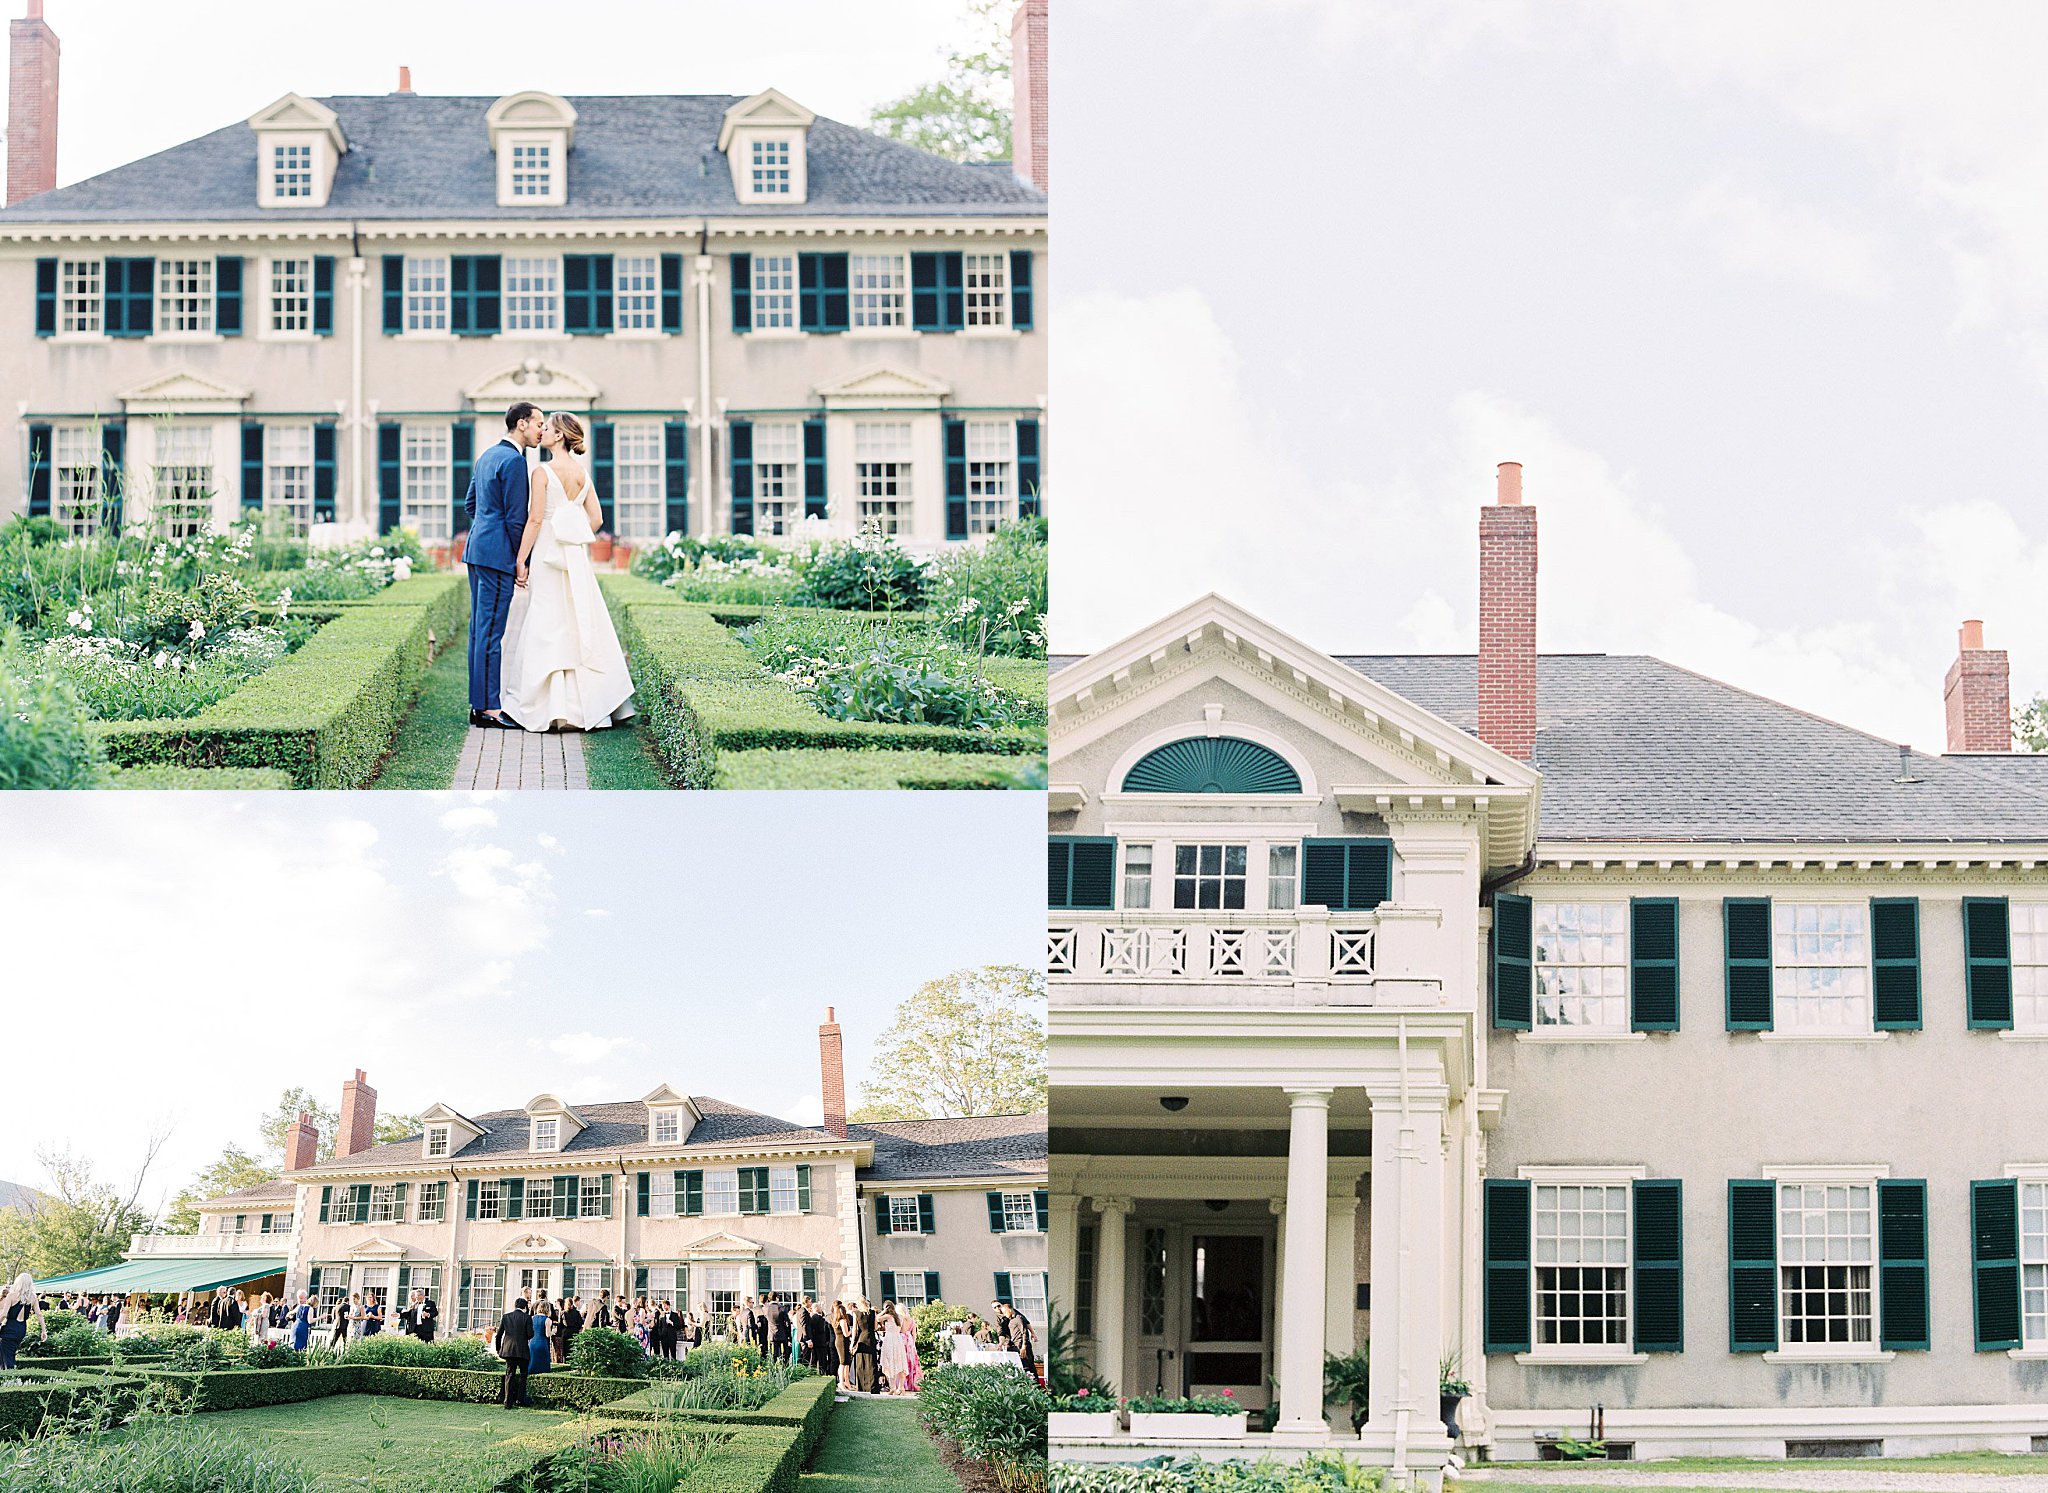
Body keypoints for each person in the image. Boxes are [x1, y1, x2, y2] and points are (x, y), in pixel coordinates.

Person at [499, 411, 637, 732]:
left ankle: (553, 707)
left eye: (546, 428)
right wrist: (572, 531)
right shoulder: (582, 473)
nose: (542, 432)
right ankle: (587, 705)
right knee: (577, 622)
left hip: (548, 552)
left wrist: (521, 560)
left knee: (548, 622)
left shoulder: (541, 471)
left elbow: (534, 521)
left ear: (559, 436)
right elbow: (597, 520)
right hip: (573, 555)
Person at [465, 401, 545, 729]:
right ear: (522, 424)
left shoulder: (487, 456)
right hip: (497, 557)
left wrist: (486, 530)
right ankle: (489, 709)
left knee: (478, 631)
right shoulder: (514, 461)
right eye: (539, 423)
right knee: (491, 632)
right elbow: (516, 519)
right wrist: (520, 560)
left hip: (476, 551)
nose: (542, 429)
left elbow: (471, 504)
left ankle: (479, 705)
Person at [0, 1272, 47, 1370]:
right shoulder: (33, 1297)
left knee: (7, 1355)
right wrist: (44, 1331)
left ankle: (10, 1377)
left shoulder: (11, 1296)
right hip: (21, 1329)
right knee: (7, 1352)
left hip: (10, 1328)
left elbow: (4, 1314)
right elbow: (39, 1314)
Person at [497, 1296, 535, 1407]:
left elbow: (498, 1335)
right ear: (524, 1307)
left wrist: (498, 1349)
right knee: (523, 1374)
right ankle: (519, 1399)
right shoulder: (527, 1318)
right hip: (522, 1350)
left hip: (509, 1350)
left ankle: (507, 1402)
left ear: (515, 1306)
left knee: (510, 1374)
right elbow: (530, 1334)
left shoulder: (506, 1316)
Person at [994, 1301, 1038, 1380]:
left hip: (1021, 1345)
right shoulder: (1003, 1319)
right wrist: (1001, 1343)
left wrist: (1024, 1346)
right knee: (1019, 1366)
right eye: (995, 1307)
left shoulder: (1018, 1318)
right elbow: (1001, 1332)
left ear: (1010, 1310)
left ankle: (1036, 1387)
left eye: (998, 1306)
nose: (998, 1308)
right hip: (1014, 1344)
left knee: (1028, 1367)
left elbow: (1024, 1332)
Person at [850, 1297, 878, 1394]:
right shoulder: (873, 1312)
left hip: (861, 1339)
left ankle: (861, 1387)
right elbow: (875, 1327)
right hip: (871, 1338)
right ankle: (873, 1387)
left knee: (860, 1364)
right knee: (872, 1364)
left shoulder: (856, 1313)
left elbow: (855, 1330)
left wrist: (852, 1343)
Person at [528, 1301, 550, 1382]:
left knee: (531, 1365)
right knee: (543, 1366)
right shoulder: (547, 1320)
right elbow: (547, 1334)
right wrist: (553, 1331)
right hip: (542, 1343)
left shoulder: (532, 1318)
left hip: (532, 1343)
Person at [558, 1296, 583, 1363]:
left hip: (566, 1332)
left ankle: (566, 1361)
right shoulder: (576, 1312)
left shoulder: (563, 1313)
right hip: (574, 1332)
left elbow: (560, 1324)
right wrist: (577, 1328)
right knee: (573, 1348)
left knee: (565, 1349)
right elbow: (580, 1323)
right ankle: (573, 1362)